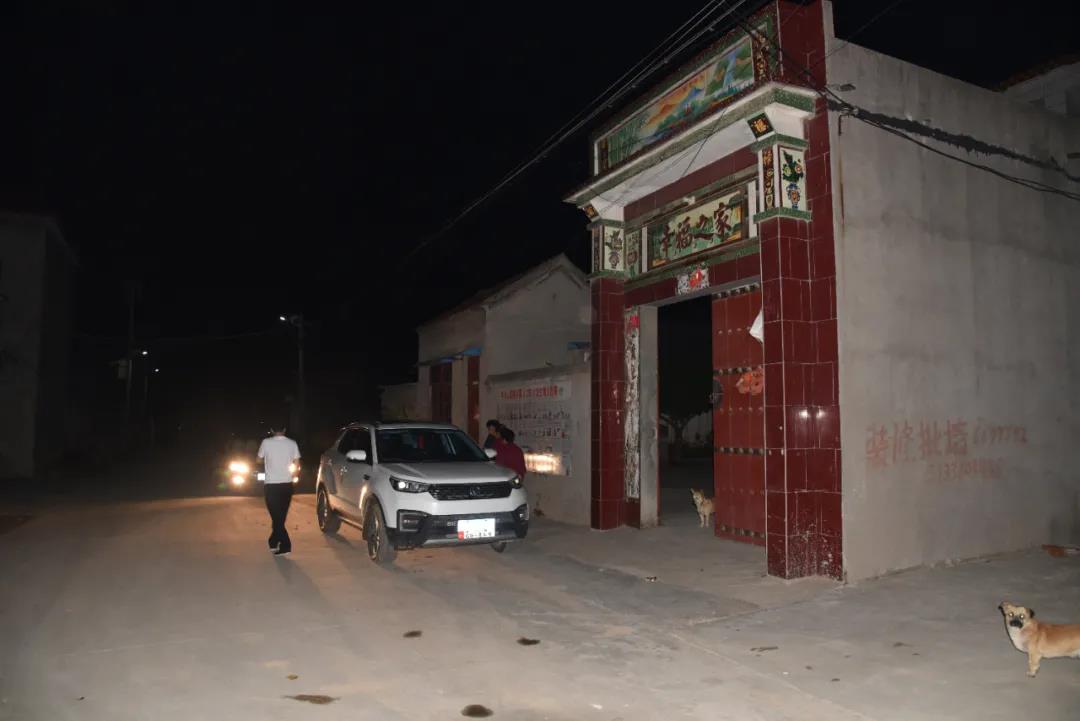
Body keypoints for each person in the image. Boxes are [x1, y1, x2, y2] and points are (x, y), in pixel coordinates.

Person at [257, 425, 300, 556]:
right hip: (287, 485)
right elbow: (297, 464)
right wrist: (293, 476)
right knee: (280, 517)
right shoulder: (292, 443)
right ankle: (273, 540)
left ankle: (285, 545)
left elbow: (258, 459)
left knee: (276, 516)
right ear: (284, 429)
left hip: (271, 485)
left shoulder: (266, 442)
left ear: (271, 430)